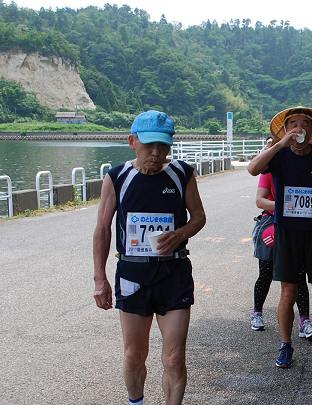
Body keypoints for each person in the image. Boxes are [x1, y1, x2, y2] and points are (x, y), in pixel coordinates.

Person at [92, 110, 206, 405]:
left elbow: (199, 217)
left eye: (163, 145)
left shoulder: (182, 174)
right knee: (134, 354)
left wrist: (180, 234)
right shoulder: (117, 177)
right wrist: (100, 278)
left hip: (174, 272)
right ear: (132, 142)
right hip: (133, 274)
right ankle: (136, 401)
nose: (156, 153)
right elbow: (102, 229)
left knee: (174, 357)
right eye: (149, 145)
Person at [247, 106, 312, 368]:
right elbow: (253, 169)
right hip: (286, 232)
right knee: (288, 291)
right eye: (293, 123)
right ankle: (286, 343)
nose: (299, 128)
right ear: (285, 130)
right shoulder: (278, 155)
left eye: (305, 123)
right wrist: (279, 144)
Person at [250, 169, 312, 339]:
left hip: (297, 225)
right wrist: (284, 205)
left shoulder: (302, 169)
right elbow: (259, 200)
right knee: (266, 272)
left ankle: (304, 321)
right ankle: (257, 312)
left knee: (299, 275)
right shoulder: (270, 169)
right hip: (271, 223)